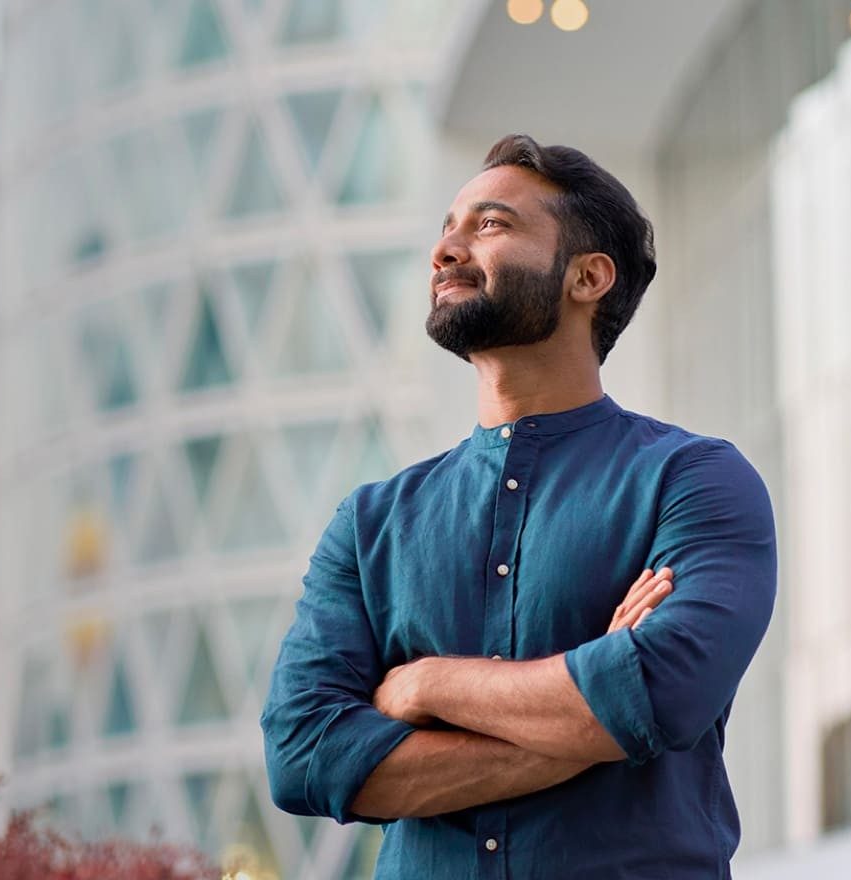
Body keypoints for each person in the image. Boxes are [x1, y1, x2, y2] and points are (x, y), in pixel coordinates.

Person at [259, 134, 777, 877]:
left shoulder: (694, 480)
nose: (446, 250)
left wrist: (425, 684)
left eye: (491, 225)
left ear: (588, 277)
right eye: (448, 228)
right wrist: (587, 714)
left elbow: (662, 690)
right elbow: (305, 755)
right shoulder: (371, 524)